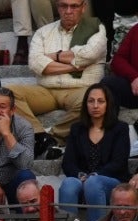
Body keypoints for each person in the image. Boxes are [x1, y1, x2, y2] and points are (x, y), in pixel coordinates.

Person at [15, 0, 106, 144]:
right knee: (7, 94)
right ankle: (38, 135)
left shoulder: (95, 28)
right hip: (46, 90)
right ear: (57, 7)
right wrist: (73, 66)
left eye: (74, 6)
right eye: (64, 6)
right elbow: (35, 63)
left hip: (80, 89)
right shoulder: (43, 32)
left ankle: (53, 137)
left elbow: (88, 54)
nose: (68, 11)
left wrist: (53, 56)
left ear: (84, 7)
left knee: (92, 101)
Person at [57, 82, 128, 221]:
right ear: (86, 105)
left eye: (100, 101)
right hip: (82, 180)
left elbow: (119, 163)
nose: (95, 106)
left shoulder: (120, 128)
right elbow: (68, 163)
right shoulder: (77, 129)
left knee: (94, 182)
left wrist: (93, 177)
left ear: (108, 104)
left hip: (110, 182)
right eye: (91, 101)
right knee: (69, 183)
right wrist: (80, 176)